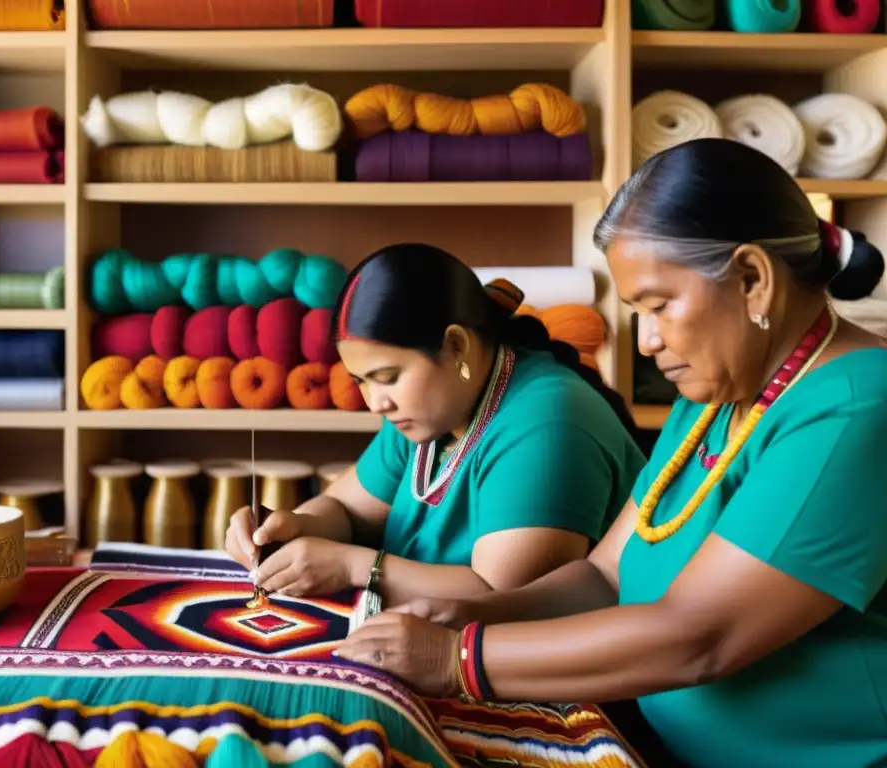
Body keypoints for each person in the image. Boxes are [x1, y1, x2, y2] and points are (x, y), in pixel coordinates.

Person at [335, 138, 887, 768]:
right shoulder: (720, 391)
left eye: (659, 306)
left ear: (752, 279)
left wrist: (453, 658)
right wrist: (472, 614)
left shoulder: (857, 407)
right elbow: (606, 575)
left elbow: (702, 637)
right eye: (636, 312)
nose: (647, 341)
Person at [225, 243, 647, 606]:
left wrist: (353, 567)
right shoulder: (435, 408)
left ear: (456, 346)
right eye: (362, 382)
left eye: (387, 377)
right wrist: (294, 527)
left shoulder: (548, 425)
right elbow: (348, 511)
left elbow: (505, 599)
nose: (375, 403)